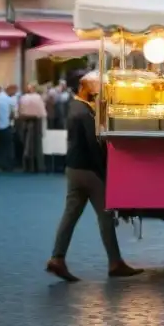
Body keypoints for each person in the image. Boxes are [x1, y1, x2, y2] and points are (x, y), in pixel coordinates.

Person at [46, 70, 142, 282]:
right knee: (105, 216)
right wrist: (106, 172)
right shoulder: (83, 111)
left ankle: (57, 257)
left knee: (70, 215)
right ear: (84, 86)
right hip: (89, 170)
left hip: (74, 168)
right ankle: (115, 262)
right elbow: (94, 145)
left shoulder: (77, 107)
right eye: (95, 85)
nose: (99, 89)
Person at [18, 84, 47, 172]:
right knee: (36, 145)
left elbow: (19, 111)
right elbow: (42, 113)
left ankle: (27, 166)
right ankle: (37, 166)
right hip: (36, 123)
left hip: (25, 122)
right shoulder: (38, 98)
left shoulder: (23, 98)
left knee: (27, 145)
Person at [0, 84, 15, 171]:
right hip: (7, 126)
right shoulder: (9, 99)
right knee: (8, 147)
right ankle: (8, 166)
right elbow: (12, 114)